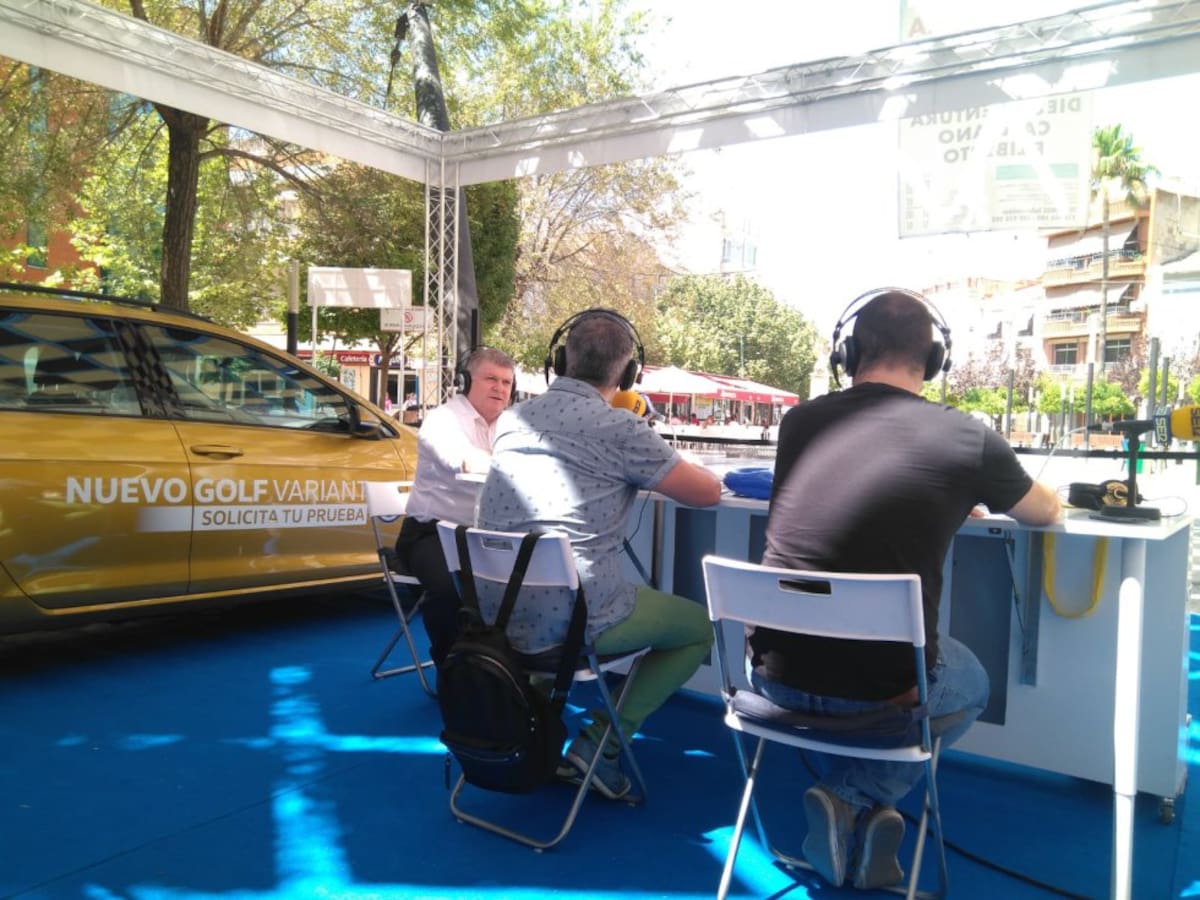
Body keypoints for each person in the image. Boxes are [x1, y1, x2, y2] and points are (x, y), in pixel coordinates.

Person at [753, 289, 1061, 891]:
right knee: (970, 683)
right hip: (882, 693)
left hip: (771, 678)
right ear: (936, 359)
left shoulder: (799, 422)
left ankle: (852, 808)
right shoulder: (968, 438)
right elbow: (1044, 512)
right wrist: (958, 491)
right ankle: (855, 794)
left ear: (848, 353)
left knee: (868, 663)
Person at [476, 308, 723, 800]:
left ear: (559, 361)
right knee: (698, 628)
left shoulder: (510, 420)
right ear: (628, 374)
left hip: (494, 613)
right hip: (575, 622)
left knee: (556, 594)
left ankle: (530, 722)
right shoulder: (623, 429)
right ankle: (599, 745)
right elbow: (708, 493)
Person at [394, 347, 516, 666]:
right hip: (431, 533)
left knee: (531, 577)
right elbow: (463, 461)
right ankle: (454, 669)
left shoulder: (511, 425)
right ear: (465, 381)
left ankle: (503, 668)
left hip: (483, 536)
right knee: (450, 590)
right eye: (491, 379)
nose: (500, 388)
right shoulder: (442, 419)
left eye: (506, 382)